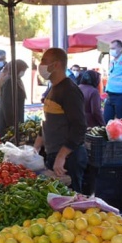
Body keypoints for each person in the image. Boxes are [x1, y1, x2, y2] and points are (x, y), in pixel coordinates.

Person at [33, 48, 87, 193]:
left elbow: (79, 127)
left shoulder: (70, 91)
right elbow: (47, 121)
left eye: (44, 60)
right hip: (53, 155)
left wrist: (62, 156)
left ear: (56, 65)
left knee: (71, 202)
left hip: (69, 158)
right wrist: (36, 148)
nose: (41, 64)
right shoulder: (53, 89)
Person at [0, 60, 29, 138]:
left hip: (11, 119)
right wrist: (12, 127)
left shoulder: (15, 80)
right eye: (23, 70)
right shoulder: (10, 81)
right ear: (17, 69)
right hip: (7, 121)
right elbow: (7, 105)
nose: (23, 73)